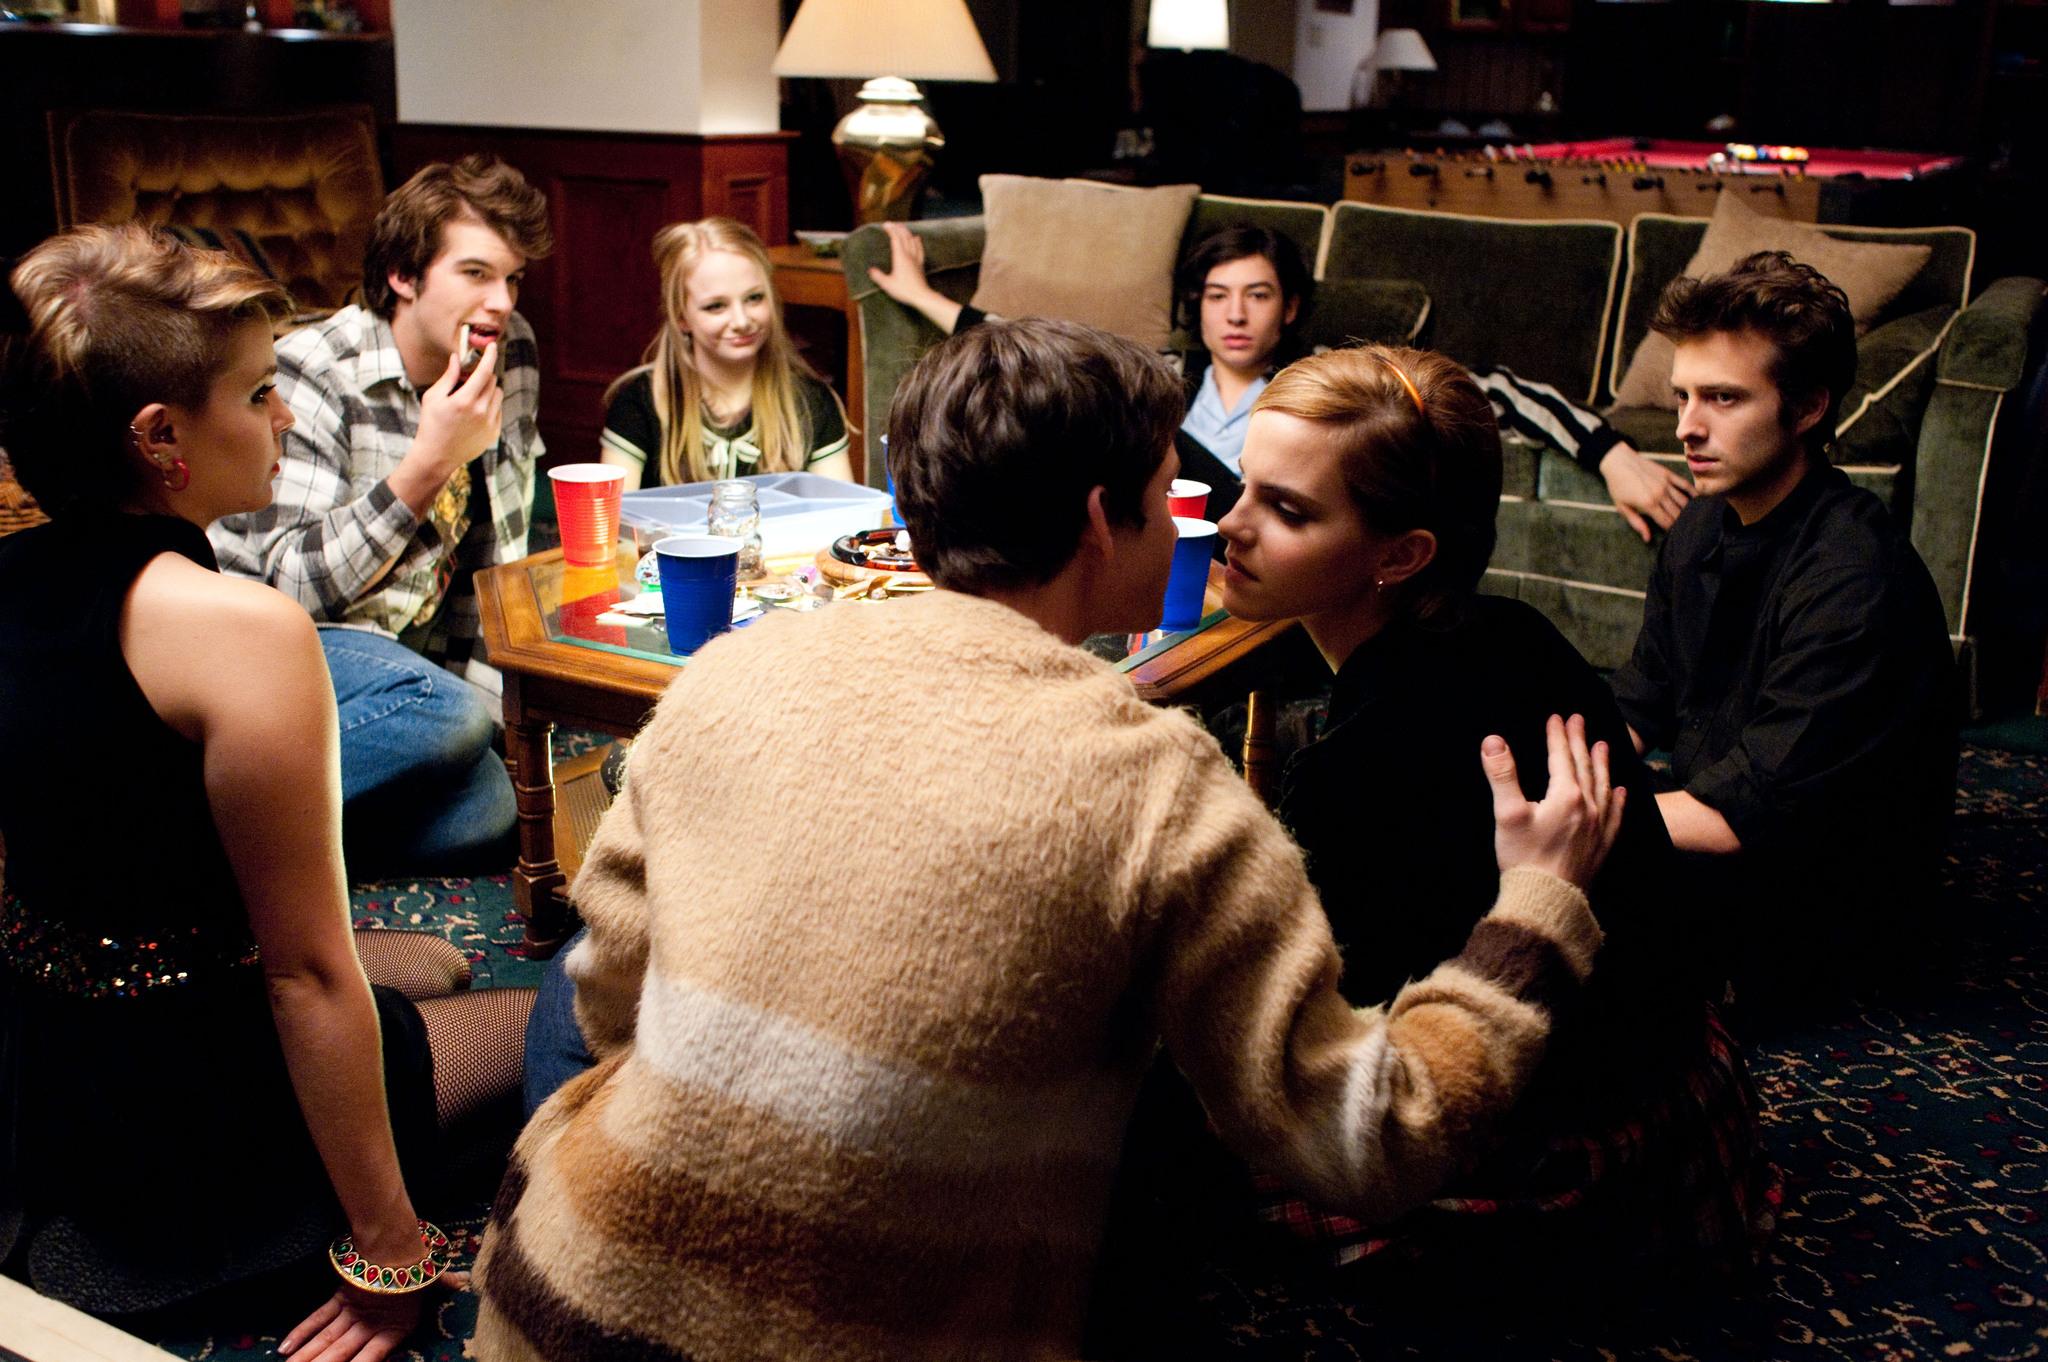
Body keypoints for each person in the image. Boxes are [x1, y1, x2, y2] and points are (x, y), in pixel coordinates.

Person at [473, 317, 1627, 1361]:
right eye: (1177, 486)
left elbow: (608, 1000)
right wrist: (1531, 911)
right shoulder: (1158, 781)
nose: (1209, 522)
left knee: (565, 1009)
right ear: (1097, 520)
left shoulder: (726, 672)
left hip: (554, 1304)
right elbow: (1372, 1140)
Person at [1088, 346, 1775, 1350]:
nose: (1229, 524)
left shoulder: (1374, 757)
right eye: (1243, 488)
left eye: (1286, 511)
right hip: (1665, 1066)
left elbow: (1309, 1062)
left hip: (1551, 1135)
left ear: (1401, 554)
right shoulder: (1509, 629)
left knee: (1129, 1107)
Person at [0, 225, 535, 1357]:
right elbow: (302, 976)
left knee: (433, 957)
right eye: (256, 396)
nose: (284, 419)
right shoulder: (239, 630)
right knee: (565, 1011)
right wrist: (391, 1248)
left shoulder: (15, 575)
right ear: (161, 440)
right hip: (195, 1107)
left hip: (50, 1067)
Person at [1608, 251, 1958, 1017]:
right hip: (1716, 823)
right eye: (1684, 396)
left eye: (1724, 399)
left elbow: (1745, 815)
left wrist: (1571, 823)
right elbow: (1640, 706)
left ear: (1807, 410)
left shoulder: (1855, 577)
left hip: (1825, 902)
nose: (1686, 427)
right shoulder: (1700, 525)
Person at [865, 220, 1695, 541]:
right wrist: (921, 296)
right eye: (1218, 297)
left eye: (1257, 295)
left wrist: (1613, 452)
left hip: (1265, 538)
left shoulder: (1321, 382)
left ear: (1288, 305)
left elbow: (1499, 389)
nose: (1236, 316)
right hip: (1176, 545)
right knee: (1090, 395)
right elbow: (1030, 353)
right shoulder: (1167, 378)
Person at [209, 154, 554, 875]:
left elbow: (495, 554)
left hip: (417, 662)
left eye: (513, 278)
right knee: (446, 714)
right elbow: (283, 595)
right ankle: (193, 825)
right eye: (475, 273)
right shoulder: (311, 369)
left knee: (496, 805)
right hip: (287, 655)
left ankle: (262, 848)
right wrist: (427, 465)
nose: (501, 301)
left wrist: (506, 716)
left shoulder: (508, 351)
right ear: (403, 275)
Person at [598, 217, 851, 490]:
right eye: (716, 306)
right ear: (681, 317)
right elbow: (611, 522)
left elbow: (844, 520)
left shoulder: (810, 400)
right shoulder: (641, 402)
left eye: (754, 298)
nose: (741, 321)